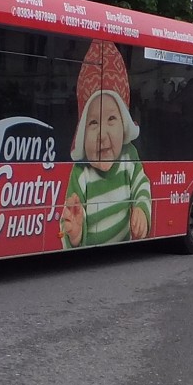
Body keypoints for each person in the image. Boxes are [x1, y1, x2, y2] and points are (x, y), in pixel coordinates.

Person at [59, 39, 152, 248]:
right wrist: (73, 233)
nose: (102, 134)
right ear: (82, 132)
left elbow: (142, 186)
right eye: (93, 122)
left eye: (111, 119)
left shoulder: (129, 155)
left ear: (124, 125)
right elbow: (71, 214)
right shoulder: (80, 172)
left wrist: (141, 210)